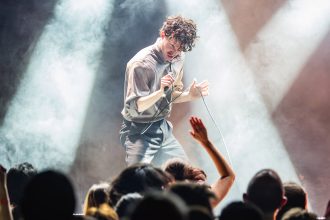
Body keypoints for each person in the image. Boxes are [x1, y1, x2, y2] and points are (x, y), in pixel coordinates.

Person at [120, 15, 209, 166]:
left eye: (180, 49)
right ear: (163, 35)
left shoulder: (179, 57)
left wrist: (190, 95)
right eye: (172, 45)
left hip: (162, 128)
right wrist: (160, 91)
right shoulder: (140, 64)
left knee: (189, 176)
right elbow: (136, 107)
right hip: (138, 130)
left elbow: (171, 95)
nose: (174, 52)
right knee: (139, 179)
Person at [164, 116, 235, 207]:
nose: (197, 170)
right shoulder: (203, 201)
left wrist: (206, 142)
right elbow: (228, 176)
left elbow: (228, 176)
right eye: (190, 172)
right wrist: (206, 143)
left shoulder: (201, 201)